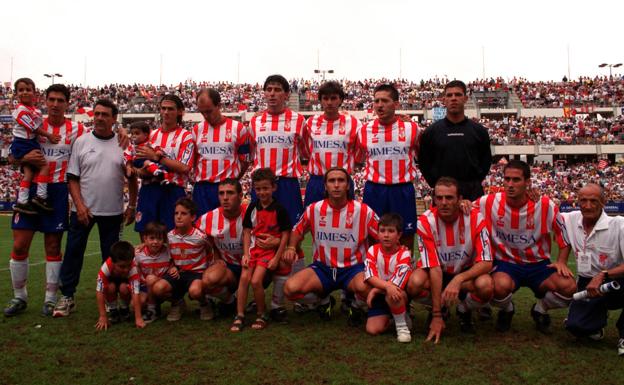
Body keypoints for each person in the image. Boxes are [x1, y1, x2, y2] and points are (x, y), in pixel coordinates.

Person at [5, 84, 86, 317]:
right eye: (51, 99)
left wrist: (120, 134)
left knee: (53, 246)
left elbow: (96, 141)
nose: (55, 104)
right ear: (45, 101)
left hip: (58, 191)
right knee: (20, 245)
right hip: (30, 191)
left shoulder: (77, 129)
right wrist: (20, 157)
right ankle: (19, 297)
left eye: (61, 100)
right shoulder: (33, 123)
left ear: (67, 103)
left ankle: (50, 299)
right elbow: (12, 153)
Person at [53, 99, 137, 318]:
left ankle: (112, 301)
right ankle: (67, 296)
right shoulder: (81, 142)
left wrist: (132, 205)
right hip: (83, 212)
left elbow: (132, 179)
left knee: (112, 259)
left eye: (105, 114)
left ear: (114, 119)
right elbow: (72, 178)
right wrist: (79, 206)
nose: (99, 118)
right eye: (97, 113)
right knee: (73, 253)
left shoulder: (123, 143)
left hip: (113, 212)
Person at [474, 160, 576, 333]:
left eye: (516, 180)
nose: (510, 184)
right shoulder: (488, 202)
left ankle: (540, 309)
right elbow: (467, 210)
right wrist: (464, 204)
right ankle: (507, 310)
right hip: (507, 264)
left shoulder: (544, 204)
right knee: (496, 287)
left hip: (539, 265)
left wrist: (562, 261)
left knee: (569, 287)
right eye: (507, 179)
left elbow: (563, 233)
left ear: (528, 182)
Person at [283, 167, 379, 326]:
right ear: (325, 186)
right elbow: (297, 230)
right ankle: (324, 300)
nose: (336, 185)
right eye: (331, 181)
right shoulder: (314, 209)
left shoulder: (363, 211)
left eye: (341, 181)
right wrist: (292, 247)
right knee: (290, 289)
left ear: (348, 185)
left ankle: (355, 304)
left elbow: (381, 237)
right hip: (323, 269)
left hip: (353, 269)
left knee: (369, 289)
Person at [409, 177, 493, 342]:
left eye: (449, 198)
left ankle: (464, 309)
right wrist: (437, 315)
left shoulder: (475, 217)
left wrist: (459, 279)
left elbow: (487, 261)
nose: (444, 202)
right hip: (438, 272)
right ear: (434, 199)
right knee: (414, 283)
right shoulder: (426, 221)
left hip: (464, 273)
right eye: (439, 198)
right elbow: (434, 267)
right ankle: (441, 308)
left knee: (486, 285)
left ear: (460, 200)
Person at [560, 183, 624, 356]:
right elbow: (543, 213)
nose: (588, 206)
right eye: (583, 200)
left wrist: (603, 275)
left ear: (603, 202)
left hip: (616, 280)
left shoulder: (618, 225)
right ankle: (596, 323)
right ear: (577, 202)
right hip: (587, 283)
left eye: (593, 201)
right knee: (576, 327)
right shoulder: (570, 219)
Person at [356, 84, 422, 252]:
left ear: (396, 104)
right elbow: (358, 159)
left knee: (406, 234)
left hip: (402, 189)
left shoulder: (412, 129)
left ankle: (405, 269)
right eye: (376, 101)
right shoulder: (364, 131)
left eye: (385, 100)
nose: (379, 105)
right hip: (374, 189)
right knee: (372, 234)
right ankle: (374, 270)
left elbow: (420, 155)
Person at [233, 168, 291, 331]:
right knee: (244, 279)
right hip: (253, 250)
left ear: (274, 188)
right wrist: (245, 254)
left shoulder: (279, 209)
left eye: (265, 188)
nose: (262, 192)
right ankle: (240, 315)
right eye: (258, 189)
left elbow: (286, 235)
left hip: (268, 253)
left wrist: (276, 258)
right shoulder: (252, 207)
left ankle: (261, 314)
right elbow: (246, 232)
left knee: (256, 280)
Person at [248, 74, 308, 227]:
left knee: (291, 229)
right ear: (264, 93)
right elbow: (251, 154)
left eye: (277, 89)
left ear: (287, 94)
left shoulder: (299, 120)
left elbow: (305, 152)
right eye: (269, 89)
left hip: (287, 184)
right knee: (259, 229)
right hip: (261, 184)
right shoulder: (255, 121)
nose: (272, 93)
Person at [419, 80, 492, 201]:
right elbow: (424, 163)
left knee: (474, 220)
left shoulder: (479, 131)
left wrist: (473, 182)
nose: (453, 98)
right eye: (449, 95)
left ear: (465, 98)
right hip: (443, 193)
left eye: (458, 95)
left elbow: (486, 161)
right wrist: (436, 184)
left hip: (472, 191)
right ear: (444, 99)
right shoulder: (431, 132)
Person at [134, 95, 195, 233]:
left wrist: (157, 157)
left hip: (172, 190)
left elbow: (184, 167)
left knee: (172, 236)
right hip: (149, 189)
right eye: (163, 108)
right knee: (146, 233)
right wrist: (142, 171)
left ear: (180, 112)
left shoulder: (186, 136)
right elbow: (139, 162)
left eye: (170, 109)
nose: (166, 112)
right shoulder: (151, 135)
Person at [151, 198, 212, 322]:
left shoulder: (201, 236)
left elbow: (211, 251)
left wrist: (208, 271)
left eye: (183, 213)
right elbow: (167, 255)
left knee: (195, 291)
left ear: (193, 217)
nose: (178, 217)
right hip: (178, 273)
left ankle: (205, 304)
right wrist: (172, 266)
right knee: (157, 289)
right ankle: (177, 303)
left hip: (196, 274)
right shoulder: (169, 236)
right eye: (176, 213)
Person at [191, 88, 249, 216]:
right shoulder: (196, 130)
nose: (206, 116)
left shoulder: (238, 129)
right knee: (202, 231)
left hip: (227, 189)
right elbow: (194, 161)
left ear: (219, 105)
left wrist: (233, 181)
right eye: (202, 112)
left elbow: (245, 161)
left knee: (229, 230)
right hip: (202, 190)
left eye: (209, 111)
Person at [303, 81, 360, 207]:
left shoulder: (354, 123)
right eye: (325, 98)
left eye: (333, 98)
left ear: (340, 100)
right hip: (317, 180)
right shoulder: (310, 123)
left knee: (346, 221)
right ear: (320, 101)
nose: (329, 102)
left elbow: (359, 154)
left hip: (342, 181)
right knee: (313, 222)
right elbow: (305, 151)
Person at [196, 179, 247, 319]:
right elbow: (193, 238)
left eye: (230, 193)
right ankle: (230, 301)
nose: (225, 197)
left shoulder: (252, 213)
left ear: (240, 195)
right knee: (208, 280)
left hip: (252, 266)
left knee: (279, 264)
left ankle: (275, 305)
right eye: (221, 193)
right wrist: (216, 256)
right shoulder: (208, 218)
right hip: (228, 267)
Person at [10, 78, 59, 215]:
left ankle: (23, 201)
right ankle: (41, 197)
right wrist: (49, 135)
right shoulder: (20, 110)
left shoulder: (34, 110)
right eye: (21, 90)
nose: (24, 92)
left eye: (28, 89)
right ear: (16, 94)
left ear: (34, 92)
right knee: (44, 167)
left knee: (29, 173)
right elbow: (33, 127)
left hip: (28, 142)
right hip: (24, 143)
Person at [364, 213, 413, 343]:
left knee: (393, 293)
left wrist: (375, 290)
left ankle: (402, 328)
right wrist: (384, 287)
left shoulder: (404, 253)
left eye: (391, 231)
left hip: (397, 293)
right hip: (382, 293)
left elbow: (397, 282)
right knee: (372, 329)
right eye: (382, 231)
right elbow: (370, 276)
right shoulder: (372, 250)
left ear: (399, 235)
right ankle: (394, 316)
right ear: (378, 233)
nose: (386, 235)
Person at [95, 241, 145, 330]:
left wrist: (138, 318)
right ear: (113, 262)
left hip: (124, 285)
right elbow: (99, 291)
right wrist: (102, 316)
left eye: (128, 265)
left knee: (123, 288)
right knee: (110, 287)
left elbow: (135, 293)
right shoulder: (105, 267)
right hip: (112, 285)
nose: (126, 270)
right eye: (122, 266)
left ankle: (124, 309)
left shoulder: (133, 269)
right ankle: (113, 310)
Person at [134, 221, 171, 323]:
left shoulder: (168, 252)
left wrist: (174, 267)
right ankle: (154, 306)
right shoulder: (138, 254)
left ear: (164, 239)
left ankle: (152, 310)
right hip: (145, 286)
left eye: (159, 239)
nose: (155, 242)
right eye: (152, 238)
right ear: (145, 239)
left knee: (151, 279)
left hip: (162, 285)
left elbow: (176, 262)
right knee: (136, 304)